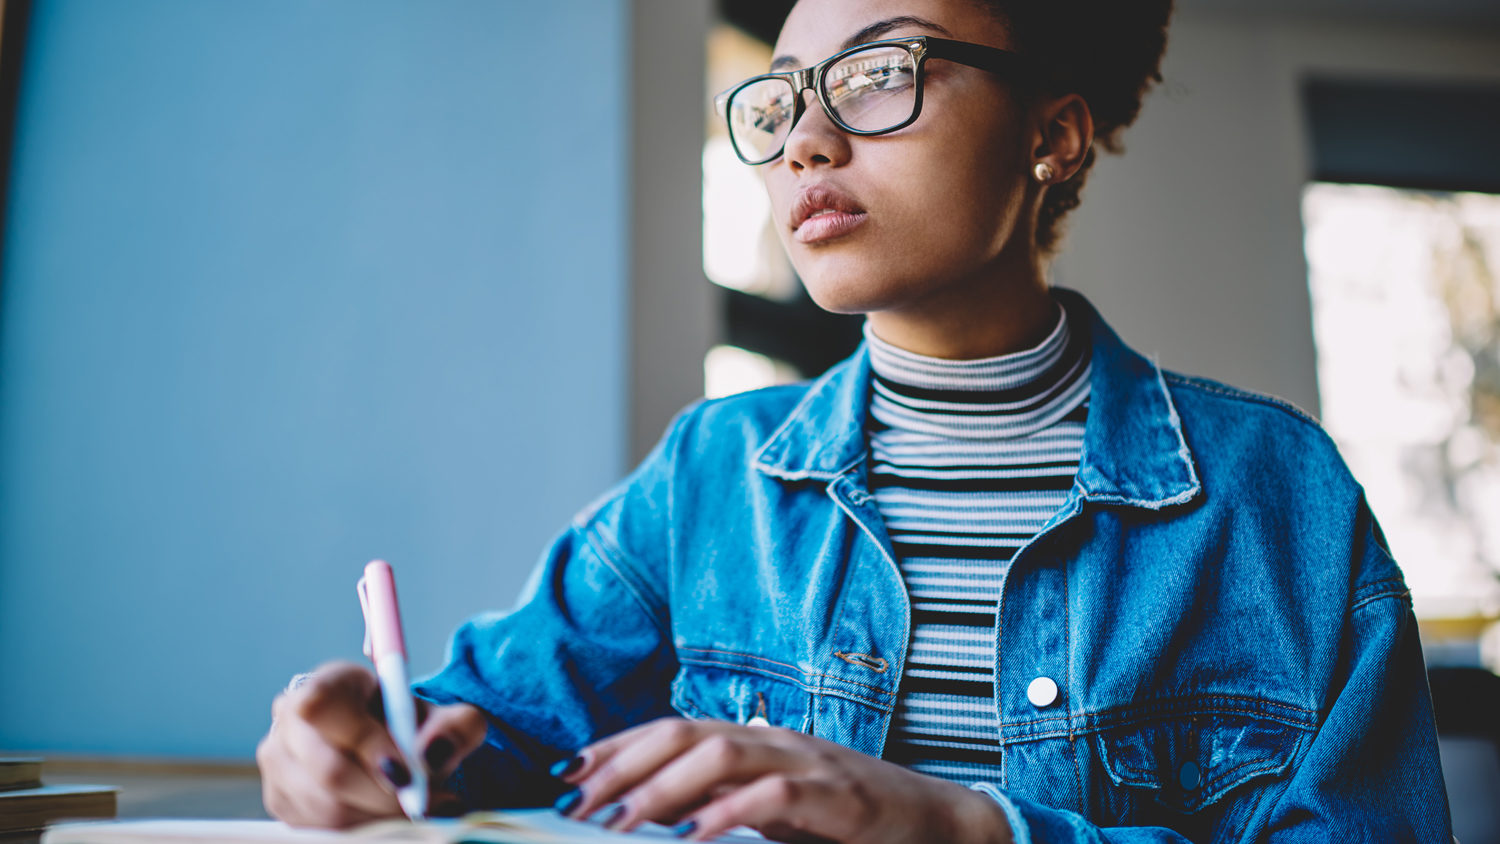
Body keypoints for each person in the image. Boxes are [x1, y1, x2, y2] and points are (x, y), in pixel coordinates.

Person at [255, 0, 1454, 840]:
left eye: (882, 74)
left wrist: (963, 830)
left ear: (1053, 134)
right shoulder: (708, 476)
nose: (806, 142)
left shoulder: (1275, 493)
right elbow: (485, 731)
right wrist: (352, 749)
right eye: (778, 101)